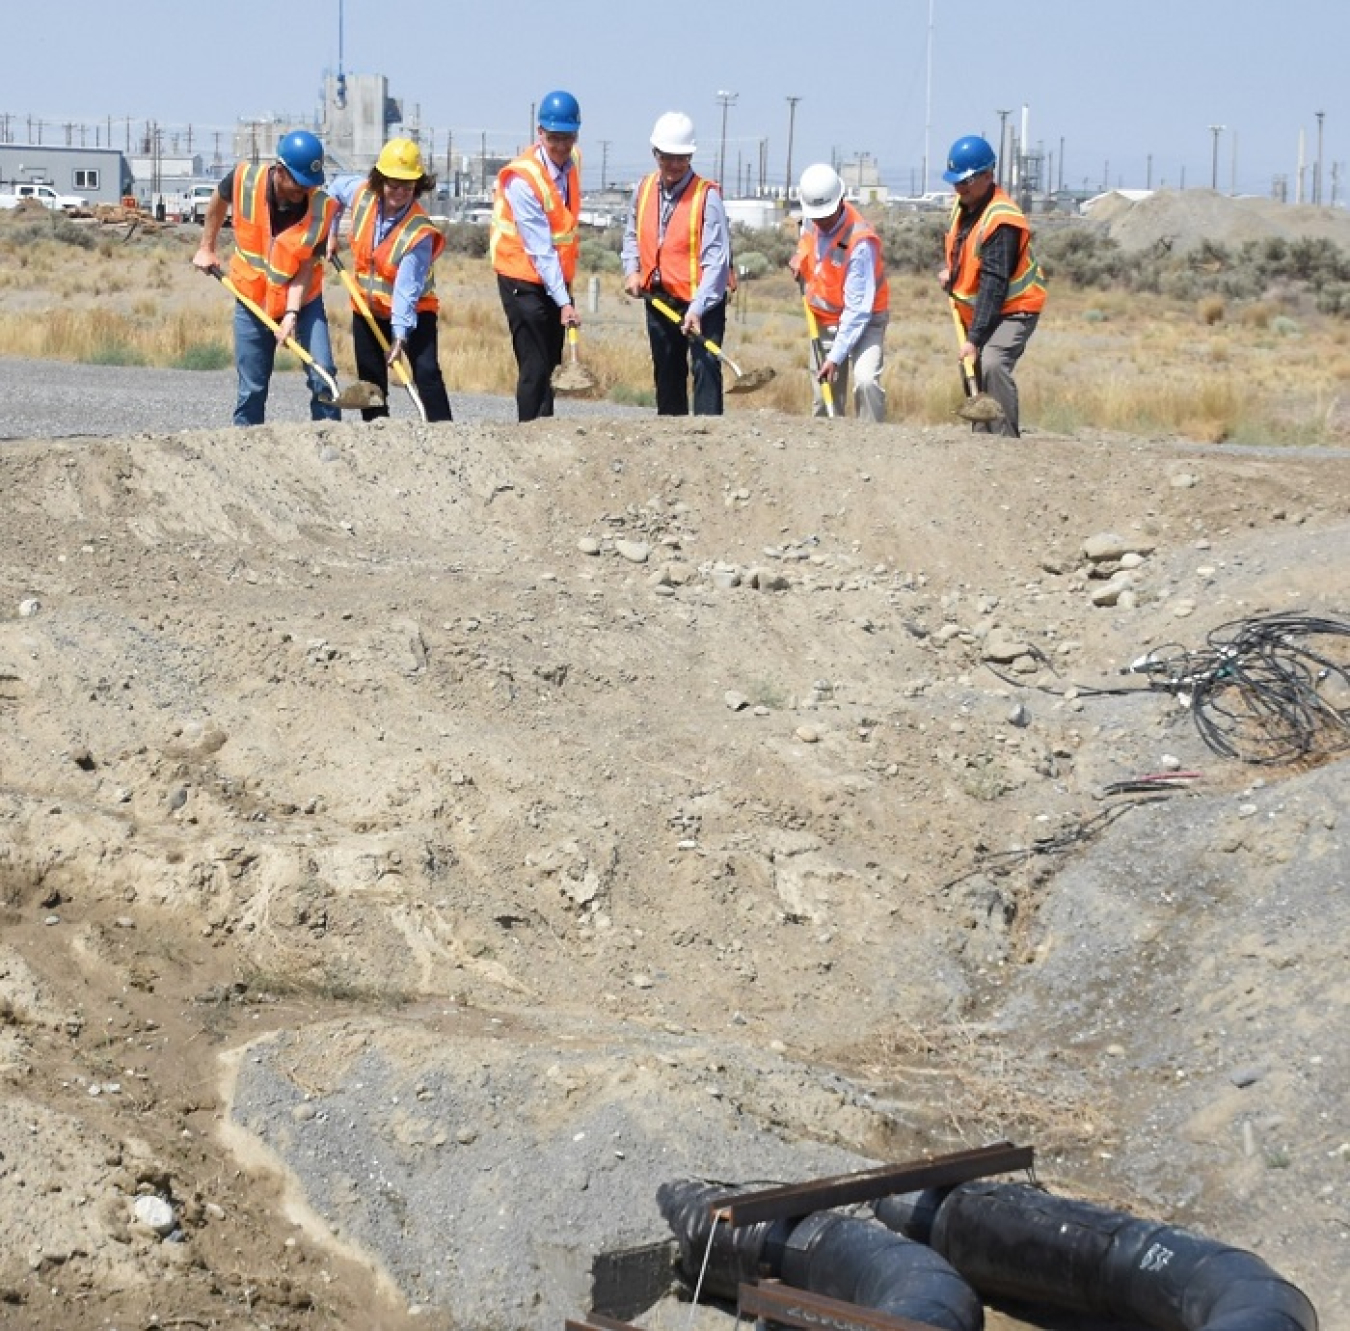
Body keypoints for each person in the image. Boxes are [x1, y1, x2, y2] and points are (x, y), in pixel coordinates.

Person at [193, 130, 340, 426]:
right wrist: (206, 247)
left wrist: (291, 313)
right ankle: (245, 453)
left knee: (323, 372)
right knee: (252, 388)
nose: (304, 191)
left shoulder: (321, 209)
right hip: (252, 299)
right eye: (298, 184)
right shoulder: (244, 180)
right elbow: (217, 203)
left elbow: (305, 268)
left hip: (304, 299)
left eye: (309, 185)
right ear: (280, 170)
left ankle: (330, 449)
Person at [327, 138, 453, 422]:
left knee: (426, 373)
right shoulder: (362, 196)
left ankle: (445, 434)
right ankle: (379, 437)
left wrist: (399, 337)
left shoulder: (418, 233)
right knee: (370, 381)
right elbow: (334, 190)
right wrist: (331, 233)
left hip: (414, 314)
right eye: (392, 184)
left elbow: (406, 293)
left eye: (407, 186)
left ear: (417, 186)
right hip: (366, 307)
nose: (399, 192)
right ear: (380, 179)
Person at [621, 111, 731, 416]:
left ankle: (708, 442)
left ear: (691, 155)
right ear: (655, 153)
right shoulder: (642, 190)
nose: (674, 165)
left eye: (681, 158)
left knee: (705, 368)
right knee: (667, 372)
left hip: (702, 302)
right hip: (659, 297)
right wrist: (632, 271)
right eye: (667, 157)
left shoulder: (706, 198)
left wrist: (697, 309)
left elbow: (717, 262)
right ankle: (672, 445)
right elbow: (631, 235)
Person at [938, 134, 1046, 438]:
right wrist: (952, 272)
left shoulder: (1002, 220)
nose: (959, 188)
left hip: (1015, 309)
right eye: (956, 182)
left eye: (966, 182)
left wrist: (974, 338)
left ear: (988, 175)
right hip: (984, 309)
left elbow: (994, 284)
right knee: (972, 367)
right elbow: (963, 248)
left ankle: (1004, 444)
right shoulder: (964, 205)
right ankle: (982, 442)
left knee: (993, 362)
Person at [489, 90, 582, 422]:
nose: (560, 146)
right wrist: (565, 302)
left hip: (554, 278)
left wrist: (563, 295)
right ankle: (529, 436)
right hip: (521, 278)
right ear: (540, 132)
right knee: (534, 364)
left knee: (552, 363)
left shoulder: (573, 165)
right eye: (554, 137)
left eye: (567, 138)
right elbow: (540, 247)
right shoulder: (523, 179)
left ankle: (546, 430)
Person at [791, 163, 889, 422]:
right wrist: (799, 260)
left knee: (866, 383)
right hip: (824, 320)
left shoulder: (860, 242)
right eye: (816, 216)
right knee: (825, 397)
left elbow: (858, 310)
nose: (821, 222)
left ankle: (872, 446)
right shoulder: (811, 219)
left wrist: (835, 357)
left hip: (865, 320)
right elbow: (806, 244)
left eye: (827, 215)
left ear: (841, 201)